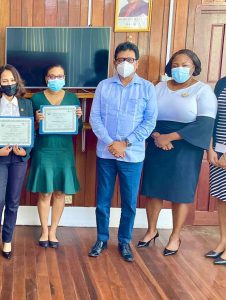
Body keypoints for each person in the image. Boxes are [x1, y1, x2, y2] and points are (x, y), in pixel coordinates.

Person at [139, 49, 217, 256]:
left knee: (180, 192)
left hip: (186, 145)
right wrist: (156, 136)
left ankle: (175, 236)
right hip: (156, 142)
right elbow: (145, 114)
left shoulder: (203, 91)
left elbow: (205, 123)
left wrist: (170, 137)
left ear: (194, 68)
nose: (179, 68)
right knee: (153, 189)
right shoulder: (159, 87)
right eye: (175, 64)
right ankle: (151, 230)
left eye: (185, 64)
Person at [88, 42, 157, 262]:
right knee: (102, 200)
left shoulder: (147, 88)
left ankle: (124, 241)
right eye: (120, 60)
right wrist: (111, 143)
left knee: (128, 202)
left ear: (137, 62)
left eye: (129, 60)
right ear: (114, 62)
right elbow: (95, 118)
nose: (124, 64)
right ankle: (101, 238)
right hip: (106, 154)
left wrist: (125, 143)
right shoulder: (103, 86)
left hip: (133, 155)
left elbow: (149, 122)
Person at [27, 64, 83, 249]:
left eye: (60, 76)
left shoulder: (73, 98)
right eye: (52, 76)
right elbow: (29, 128)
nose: (56, 79)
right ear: (46, 78)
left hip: (64, 151)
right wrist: (36, 121)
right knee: (45, 192)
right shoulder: (36, 98)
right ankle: (44, 231)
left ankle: (53, 231)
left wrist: (79, 118)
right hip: (44, 150)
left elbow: (78, 128)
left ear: (65, 78)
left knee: (60, 192)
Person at [0, 64, 33, 260]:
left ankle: (7, 240)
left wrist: (26, 149)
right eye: (5, 81)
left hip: (19, 159)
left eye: (12, 80)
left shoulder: (26, 104)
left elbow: (31, 132)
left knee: (13, 201)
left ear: (17, 81)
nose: (9, 84)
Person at [206, 76, 226, 266]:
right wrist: (210, 147)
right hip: (219, 150)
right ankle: (223, 241)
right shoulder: (222, 82)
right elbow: (213, 117)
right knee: (222, 197)